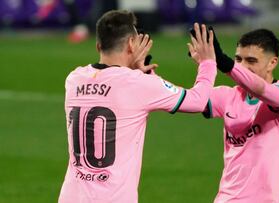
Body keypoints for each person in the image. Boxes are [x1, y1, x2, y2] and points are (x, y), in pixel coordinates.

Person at [58, 10, 217, 203]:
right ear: (131, 44)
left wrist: (137, 73)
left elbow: (109, 89)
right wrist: (208, 63)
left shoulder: (74, 79)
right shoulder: (138, 83)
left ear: (98, 45)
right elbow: (198, 101)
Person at [189, 28, 279, 202]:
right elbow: (189, 100)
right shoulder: (229, 96)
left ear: (272, 63)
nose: (242, 66)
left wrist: (224, 63)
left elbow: (261, 89)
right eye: (238, 59)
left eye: (251, 60)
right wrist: (206, 66)